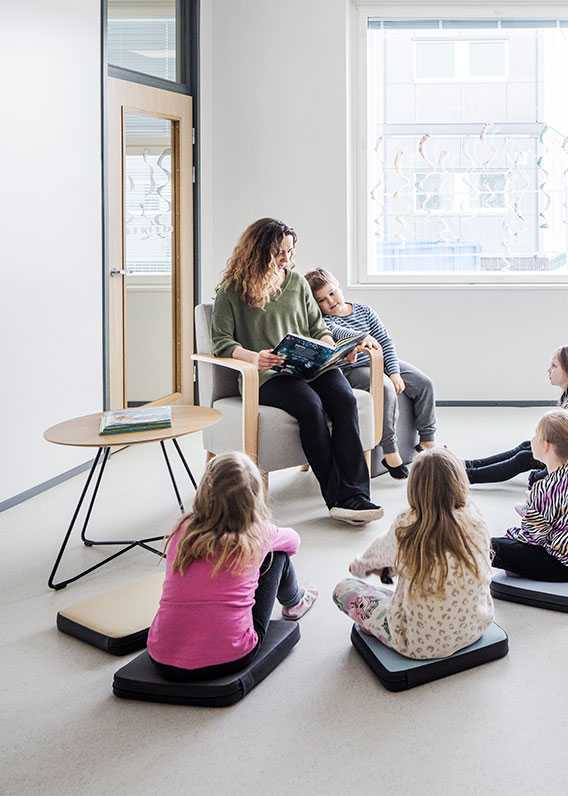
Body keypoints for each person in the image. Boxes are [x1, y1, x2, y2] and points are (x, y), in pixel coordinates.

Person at [210, 218, 382, 524]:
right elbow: (221, 342)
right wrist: (255, 358)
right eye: (280, 252)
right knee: (311, 406)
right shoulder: (231, 291)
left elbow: (317, 327)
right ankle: (338, 498)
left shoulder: (297, 282)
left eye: (290, 251)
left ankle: (358, 495)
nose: (287, 259)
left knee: (345, 400)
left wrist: (330, 348)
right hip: (267, 376)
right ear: (258, 251)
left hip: (312, 367)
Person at [146, 452, 318, 681]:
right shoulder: (258, 534)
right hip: (232, 657)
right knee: (278, 557)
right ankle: (296, 602)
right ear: (254, 498)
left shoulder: (183, 529)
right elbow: (294, 542)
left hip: (161, 657)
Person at [334, 449, 495, 659]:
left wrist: (358, 566)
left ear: (415, 488)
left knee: (344, 589)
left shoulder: (406, 524)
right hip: (476, 626)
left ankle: (378, 627)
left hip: (416, 644)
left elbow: (373, 557)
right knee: (404, 578)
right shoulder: (476, 518)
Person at [305, 268, 437, 481]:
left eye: (332, 293)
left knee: (423, 383)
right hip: (354, 370)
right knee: (384, 389)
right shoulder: (323, 321)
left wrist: (394, 372)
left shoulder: (364, 311)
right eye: (322, 300)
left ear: (338, 285)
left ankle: (427, 440)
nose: (330, 301)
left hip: (382, 361)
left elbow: (385, 342)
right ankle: (389, 450)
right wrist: (362, 337)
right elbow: (339, 333)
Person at [490, 409, 568, 581]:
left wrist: (514, 531)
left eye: (535, 435)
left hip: (567, 567)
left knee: (489, 546)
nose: (532, 440)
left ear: (546, 445)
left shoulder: (544, 488)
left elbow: (531, 539)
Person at [464, 345, 568, 485]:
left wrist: (542, 474)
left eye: (554, 366)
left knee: (524, 458)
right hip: (564, 451)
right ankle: (469, 466)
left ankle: (467, 476)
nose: (549, 369)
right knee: (526, 446)